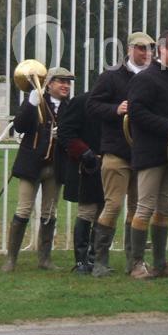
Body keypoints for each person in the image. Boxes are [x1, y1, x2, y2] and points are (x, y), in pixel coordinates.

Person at [86, 31, 154, 277]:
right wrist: (116, 108)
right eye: (140, 48)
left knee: (139, 209)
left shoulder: (153, 77)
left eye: (148, 49)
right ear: (129, 49)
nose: (145, 53)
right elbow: (92, 105)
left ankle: (134, 261)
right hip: (116, 151)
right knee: (113, 205)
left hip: (143, 153)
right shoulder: (111, 76)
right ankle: (100, 261)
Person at [127, 30, 168, 279]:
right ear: (163, 50)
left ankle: (160, 263)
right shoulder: (146, 78)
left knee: (164, 209)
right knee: (144, 208)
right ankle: (136, 264)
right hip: (151, 154)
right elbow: (136, 113)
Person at [3, 67, 74, 271]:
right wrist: (32, 103)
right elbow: (20, 126)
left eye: (68, 82)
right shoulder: (35, 101)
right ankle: (11, 259)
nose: (65, 86)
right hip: (32, 165)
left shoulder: (70, 107)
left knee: (49, 213)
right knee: (23, 210)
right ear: (49, 84)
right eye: (61, 81)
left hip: (56, 166)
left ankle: (45, 259)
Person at [57, 90, 104, 273]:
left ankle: (97, 258)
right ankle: (81, 261)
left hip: (109, 163)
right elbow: (65, 131)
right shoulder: (82, 101)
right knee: (87, 211)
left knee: (105, 210)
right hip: (86, 165)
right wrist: (84, 152)